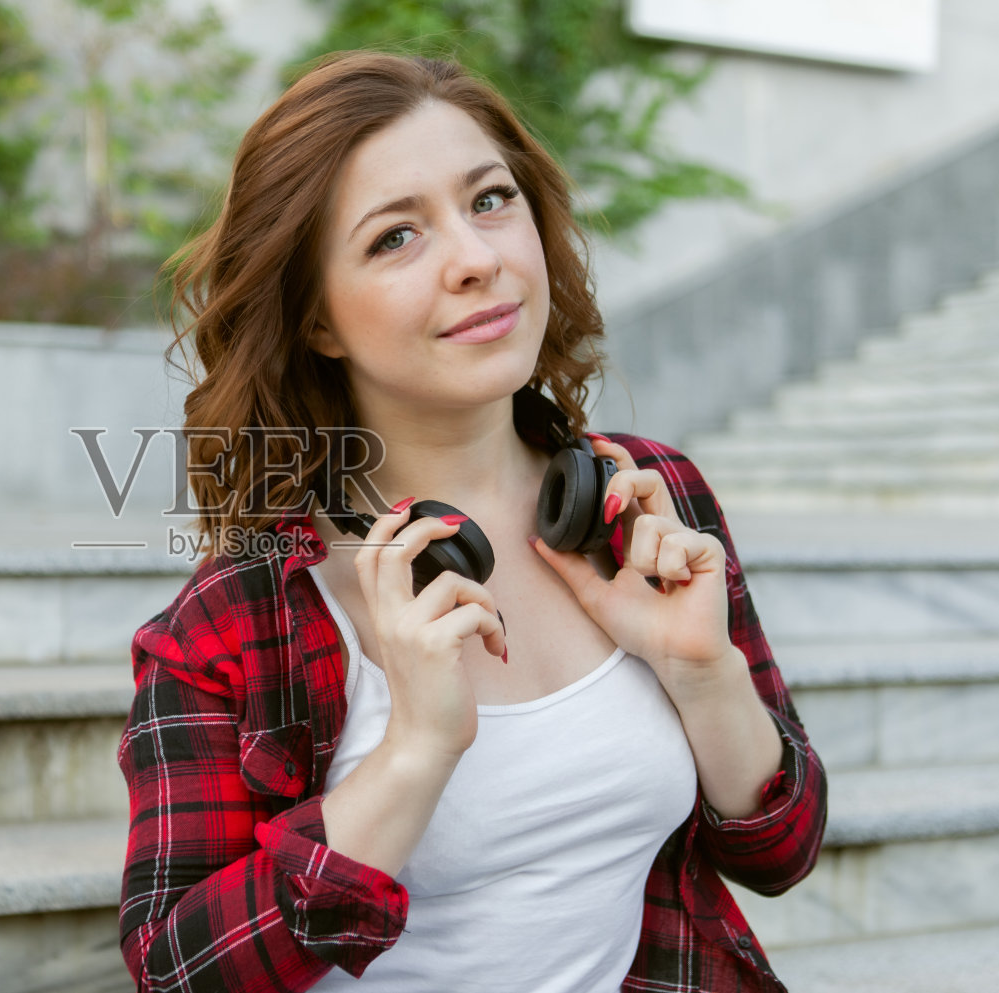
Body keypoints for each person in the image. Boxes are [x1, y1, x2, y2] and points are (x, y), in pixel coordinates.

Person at [116, 51, 826, 993]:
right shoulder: (241, 611)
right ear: (318, 320)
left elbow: (781, 848)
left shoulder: (649, 497)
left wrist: (704, 674)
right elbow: (175, 971)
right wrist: (415, 749)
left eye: (490, 200)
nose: (477, 260)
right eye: (394, 237)